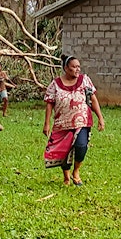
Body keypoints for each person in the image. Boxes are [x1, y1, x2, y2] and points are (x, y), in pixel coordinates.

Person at [43, 55, 105, 186]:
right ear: (66, 68)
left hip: (82, 120)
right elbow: (49, 103)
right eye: (74, 67)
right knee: (64, 150)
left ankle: (76, 171)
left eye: (79, 67)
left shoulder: (85, 80)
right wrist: (47, 123)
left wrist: (100, 118)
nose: (77, 69)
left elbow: (93, 99)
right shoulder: (55, 84)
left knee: (81, 145)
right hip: (62, 123)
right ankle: (66, 176)